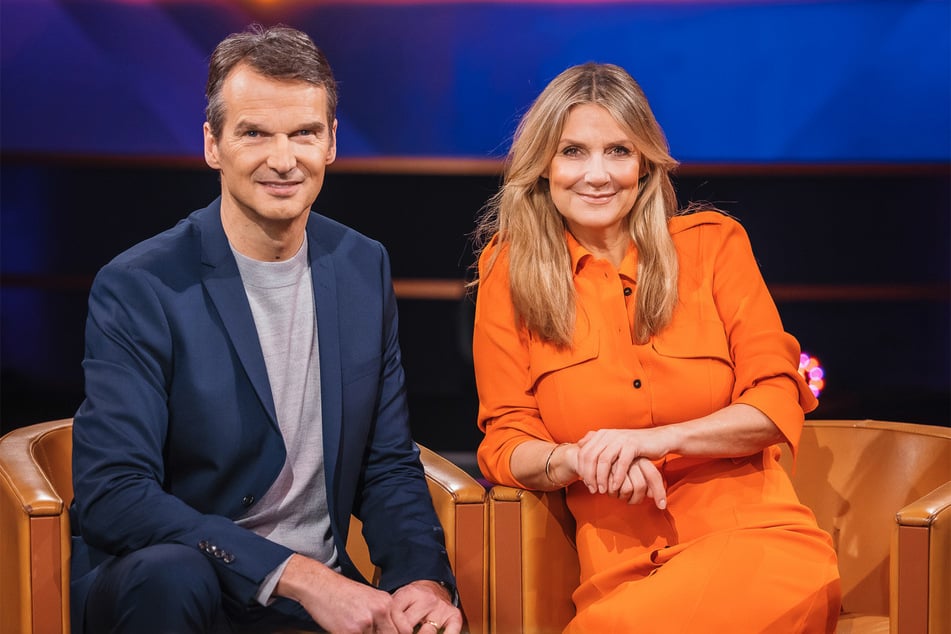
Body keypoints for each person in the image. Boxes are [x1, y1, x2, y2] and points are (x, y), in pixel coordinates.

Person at [69, 24, 462, 634]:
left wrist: (421, 579)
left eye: (304, 133)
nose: (283, 160)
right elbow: (113, 494)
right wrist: (300, 576)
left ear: (331, 142)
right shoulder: (142, 284)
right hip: (183, 587)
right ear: (213, 145)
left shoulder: (363, 265)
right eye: (254, 133)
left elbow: (385, 462)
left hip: (319, 596)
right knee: (172, 574)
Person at [471, 62, 841, 632]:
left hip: (758, 549)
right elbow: (505, 440)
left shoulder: (714, 247)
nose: (597, 174)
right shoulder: (508, 270)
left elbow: (775, 401)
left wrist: (654, 441)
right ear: (543, 164)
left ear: (644, 162)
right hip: (620, 575)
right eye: (573, 151)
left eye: (618, 151)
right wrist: (578, 459)